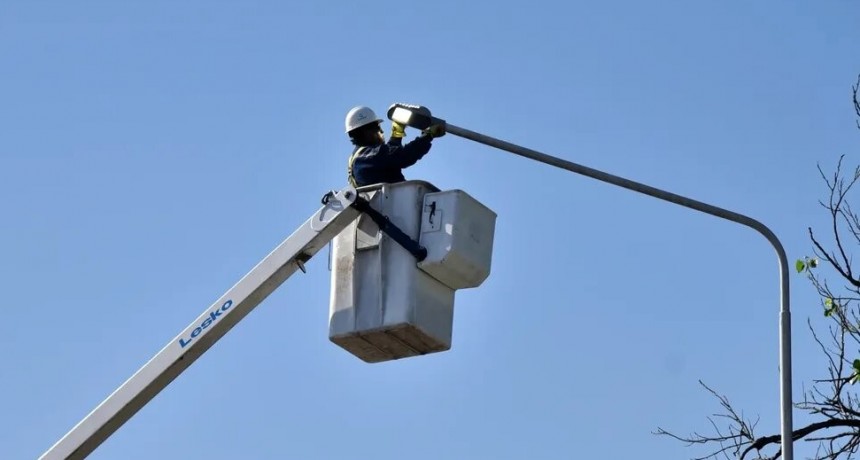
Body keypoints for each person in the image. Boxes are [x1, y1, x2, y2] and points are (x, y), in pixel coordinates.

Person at [344, 105, 445, 187]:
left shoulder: (363, 157)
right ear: (367, 132)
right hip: (389, 204)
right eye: (378, 127)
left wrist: (397, 134)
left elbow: (388, 157)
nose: (381, 131)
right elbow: (403, 156)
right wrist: (428, 136)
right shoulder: (367, 156)